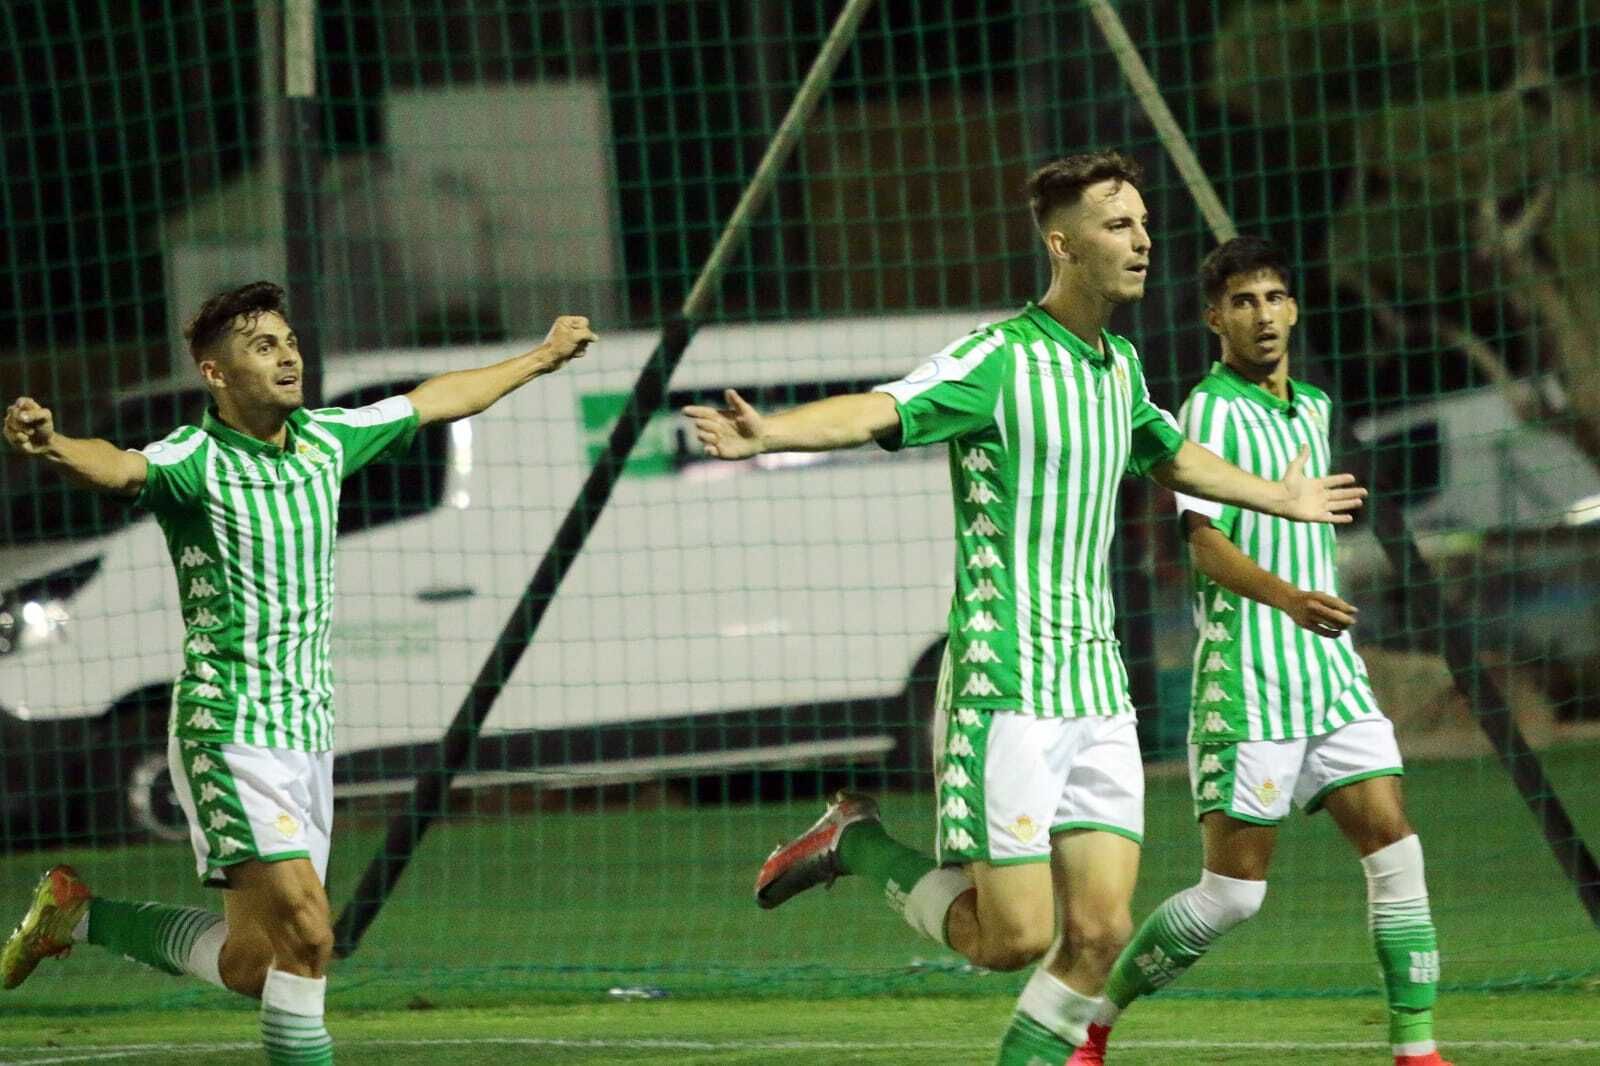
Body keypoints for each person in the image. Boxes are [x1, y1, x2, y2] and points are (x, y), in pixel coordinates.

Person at [683, 154, 1365, 1064]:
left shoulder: (1120, 366)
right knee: (1010, 939)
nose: (1143, 240)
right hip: (1005, 682)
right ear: (1063, 245)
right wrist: (771, 430)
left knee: (1100, 933)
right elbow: (882, 407)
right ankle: (856, 843)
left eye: (1143, 223)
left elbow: (1174, 458)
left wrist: (1281, 499)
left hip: (1097, 684)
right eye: (1117, 225)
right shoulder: (998, 359)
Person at [1, 281, 596, 1066]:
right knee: (312, 932)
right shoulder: (195, 459)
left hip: (307, 735)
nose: (287, 357)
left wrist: (544, 357)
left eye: (288, 342)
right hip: (228, 729)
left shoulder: (328, 440)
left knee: (259, 965)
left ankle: (76, 916)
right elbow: (118, 469)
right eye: (262, 346)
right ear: (216, 375)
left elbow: (435, 399)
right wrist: (54, 446)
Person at [1075, 236, 1449, 1066]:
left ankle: (1417, 1049)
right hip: (1249, 683)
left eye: (1274, 297)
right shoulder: (1205, 412)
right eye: (1242, 302)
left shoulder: (1312, 408)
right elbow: (1202, 546)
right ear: (1216, 318)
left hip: (1331, 675)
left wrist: (1314, 603)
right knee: (1232, 897)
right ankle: (1092, 1023)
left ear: (1295, 307)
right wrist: (1288, 598)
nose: (1262, 315)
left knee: (1396, 846)